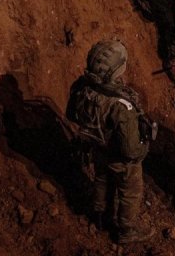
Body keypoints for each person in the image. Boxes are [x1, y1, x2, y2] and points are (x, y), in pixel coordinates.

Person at [66, 40, 155, 244]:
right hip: (119, 157)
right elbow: (131, 150)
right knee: (130, 192)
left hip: (97, 148)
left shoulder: (81, 86)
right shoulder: (121, 106)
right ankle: (126, 231)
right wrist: (145, 148)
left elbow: (71, 114)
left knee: (101, 179)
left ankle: (100, 217)